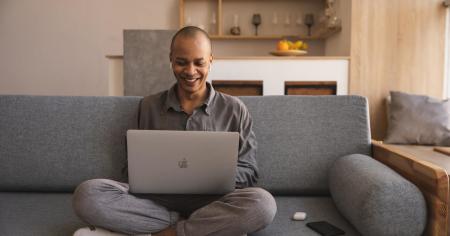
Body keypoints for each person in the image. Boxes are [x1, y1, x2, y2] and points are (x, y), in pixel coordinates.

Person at [72, 26, 277, 236]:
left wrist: (209, 175)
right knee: (87, 194)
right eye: (181, 62)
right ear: (171, 59)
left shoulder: (234, 109)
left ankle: (166, 232)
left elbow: (250, 171)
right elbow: (129, 169)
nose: (190, 71)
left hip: (213, 203)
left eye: (199, 63)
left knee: (263, 204)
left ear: (211, 60)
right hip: (157, 203)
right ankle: (195, 228)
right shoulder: (148, 106)